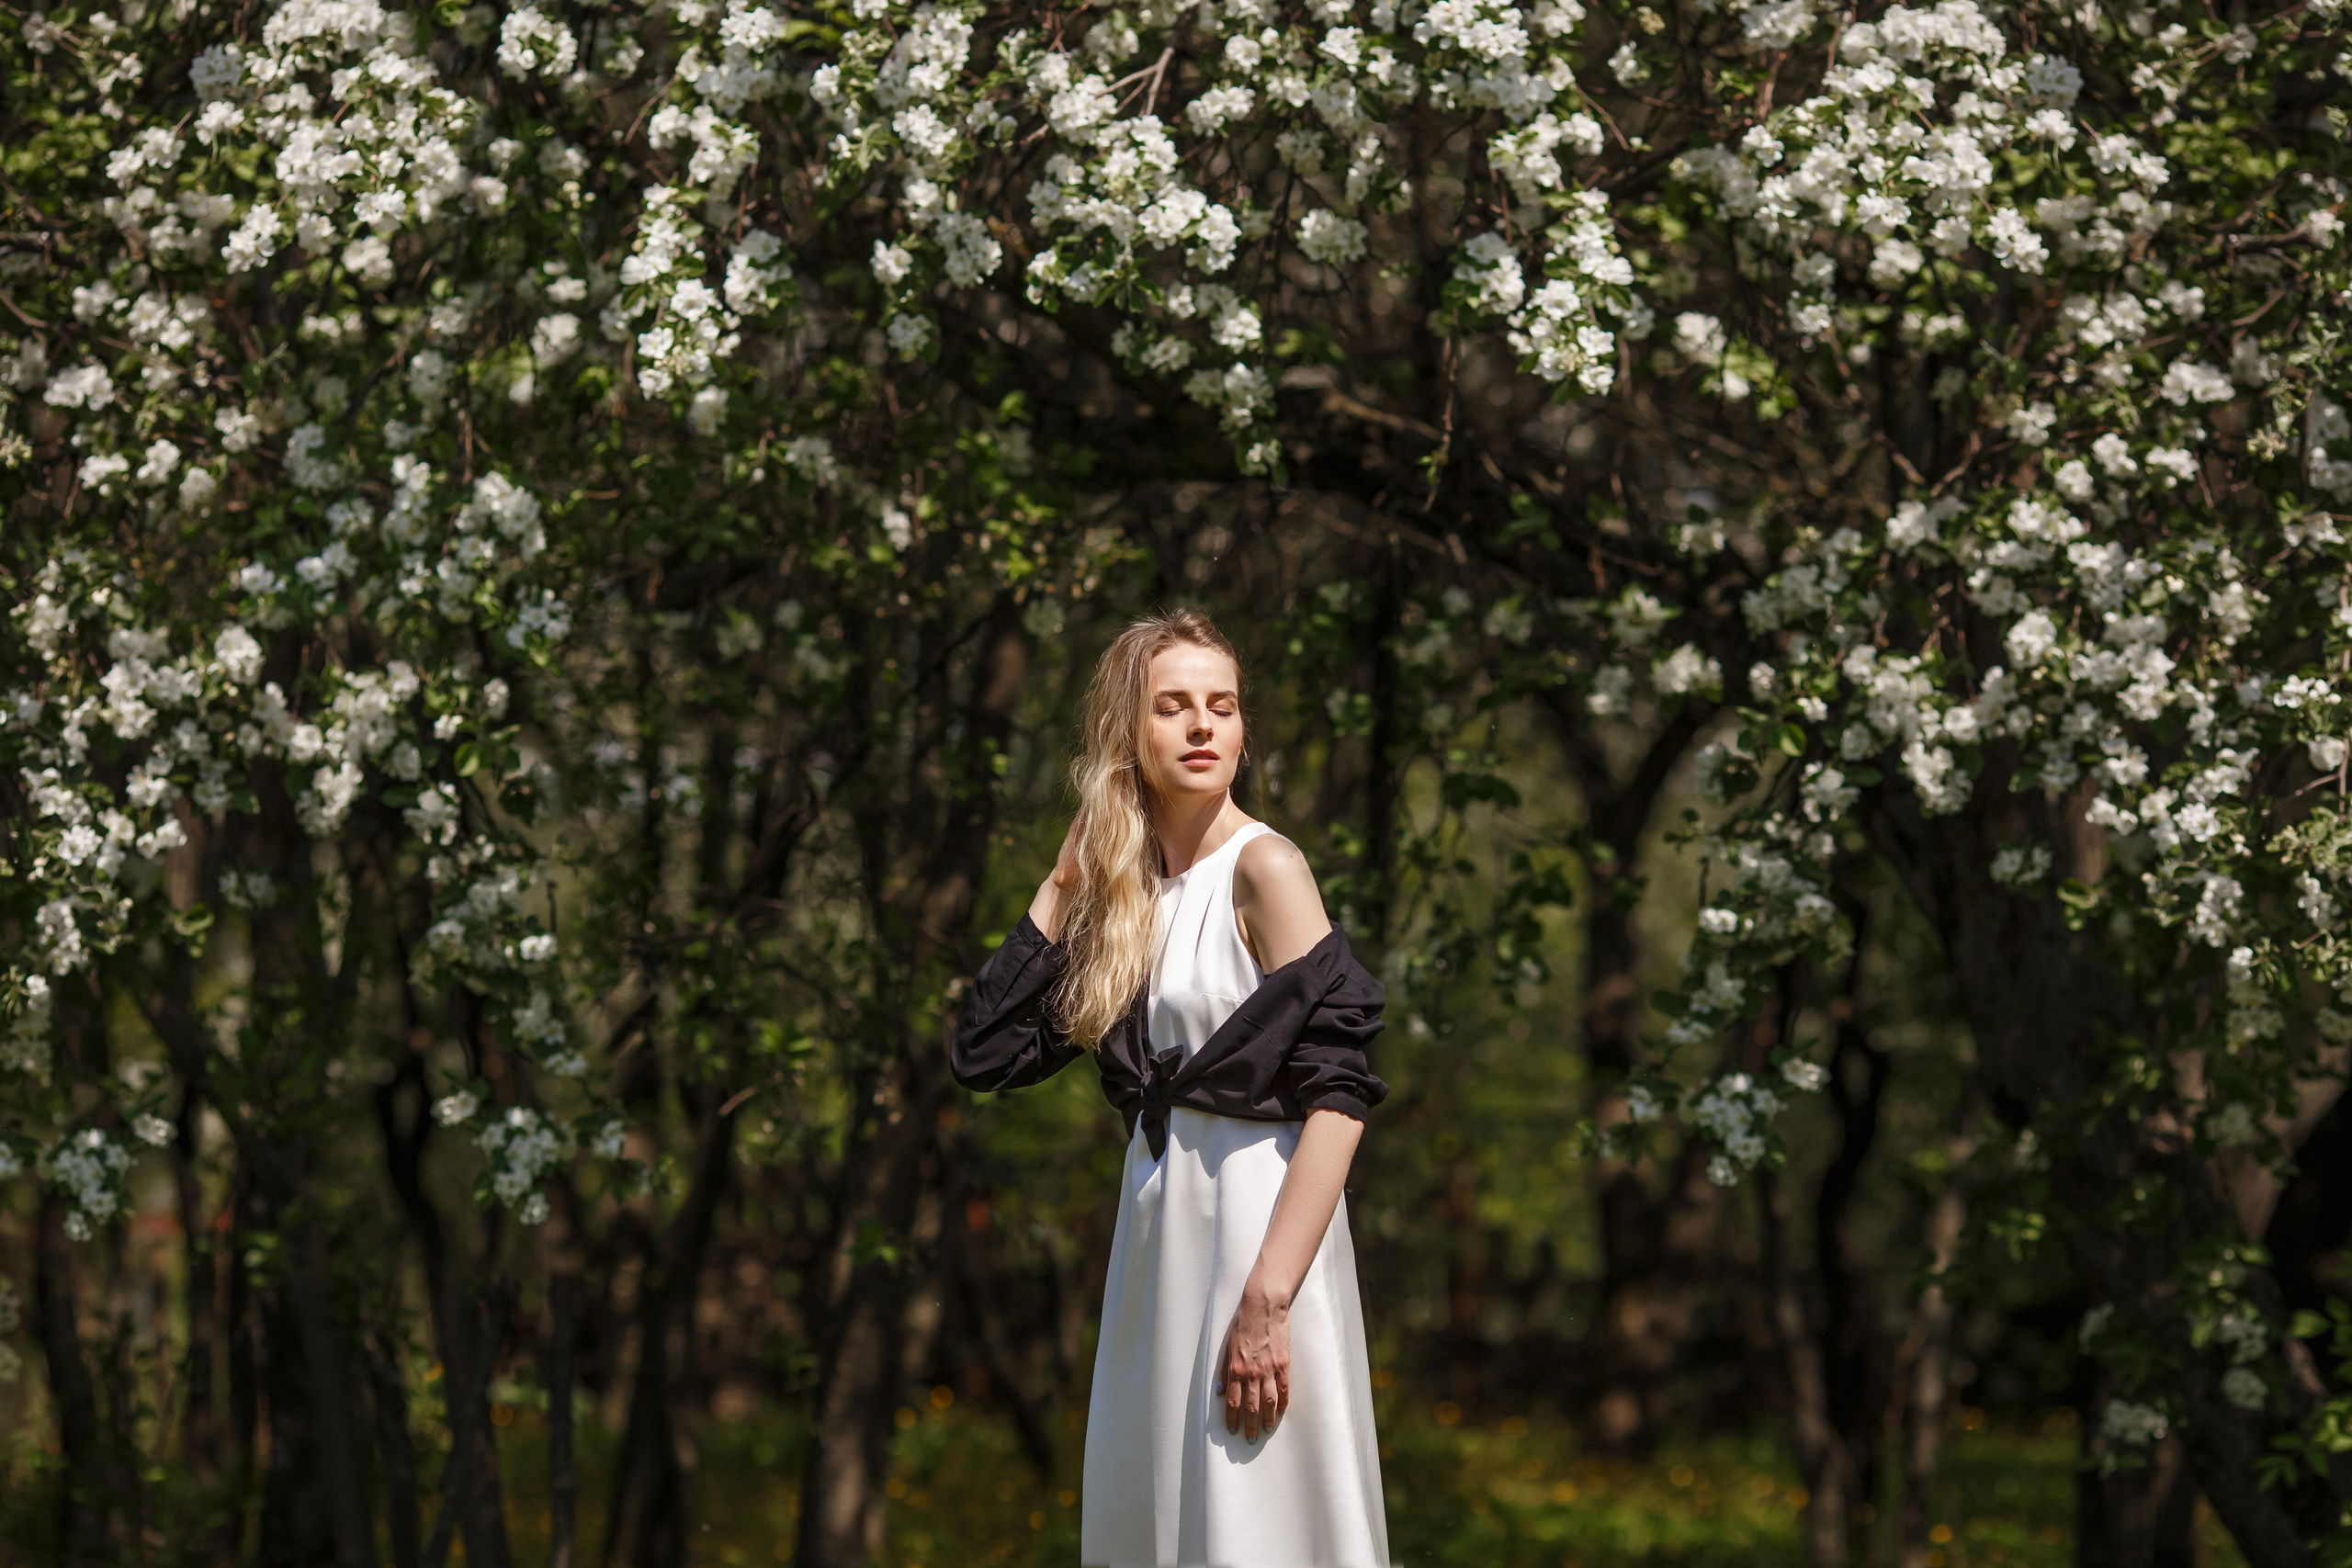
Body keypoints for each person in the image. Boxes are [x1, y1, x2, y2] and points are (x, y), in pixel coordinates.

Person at [949, 609, 1393, 1568]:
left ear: (1241, 731)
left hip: (1259, 1240)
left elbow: (1340, 1095)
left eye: (1221, 707)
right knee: (1156, 1520)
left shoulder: (1265, 868)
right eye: (1173, 707)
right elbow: (985, 1052)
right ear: (1128, 733)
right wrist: (1066, 879)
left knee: (1258, 1518)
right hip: (1159, 1239)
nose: (1202, 727)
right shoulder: (1128, 895)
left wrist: (1268, 1299)